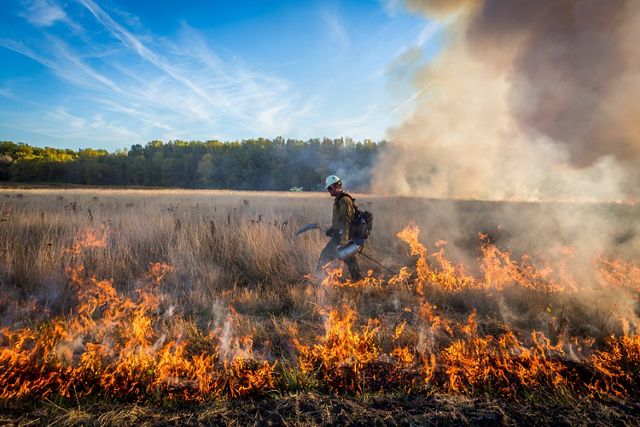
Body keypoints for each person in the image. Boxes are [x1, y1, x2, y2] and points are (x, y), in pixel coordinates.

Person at [316, 175, 362, 280]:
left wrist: (344, 241)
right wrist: (332, 229)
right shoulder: (339, 199)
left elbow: (346, 221)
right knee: (350, 259)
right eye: (328, 189)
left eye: (330, 188)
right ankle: (358, 280)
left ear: (338, 186)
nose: (329, 191)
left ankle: (317, 278)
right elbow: (339, 221)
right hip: (340, 234)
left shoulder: (344, 200)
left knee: (325, 255)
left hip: (342, 236)